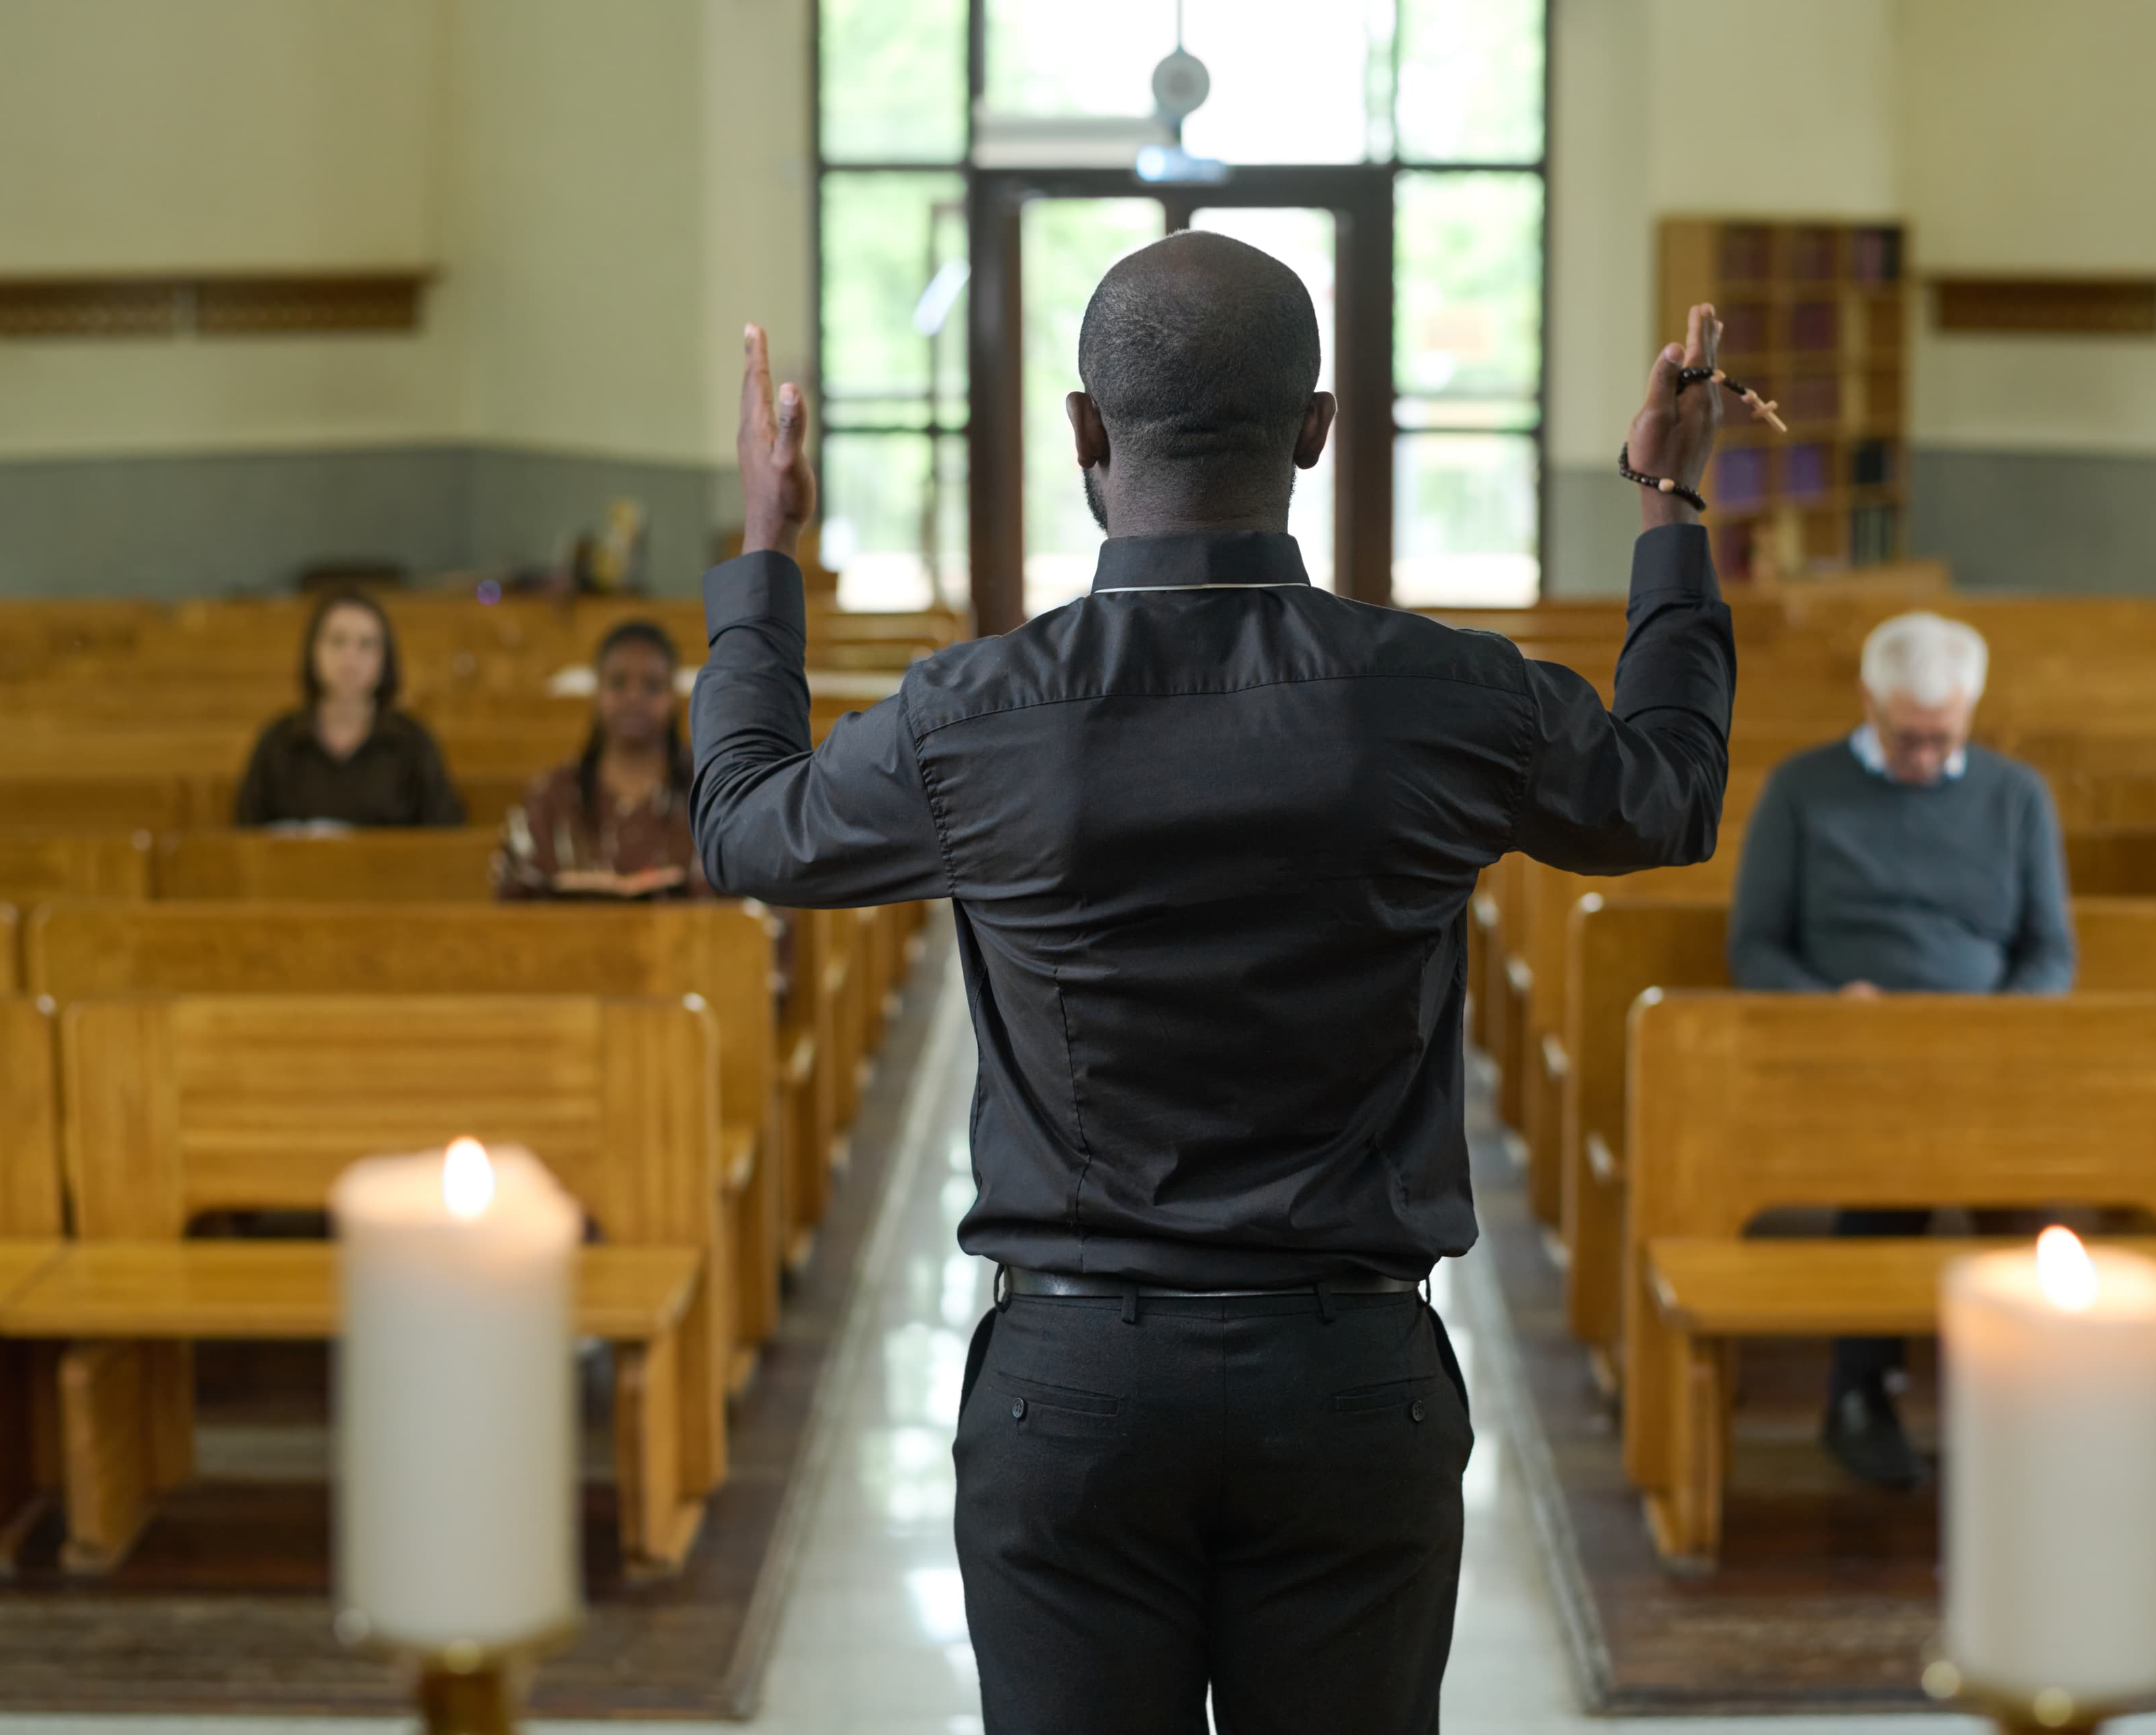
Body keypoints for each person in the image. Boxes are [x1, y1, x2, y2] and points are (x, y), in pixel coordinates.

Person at [692, 241, 1735, 1734]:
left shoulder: (977, 714)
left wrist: (766, 549)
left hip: (1073, 1384)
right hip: (1353, 1376)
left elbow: (740, 823)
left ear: (1085, 436)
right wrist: (1671, 512)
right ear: (1315, 431)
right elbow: (1671, 795)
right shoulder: (1446, 695)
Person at [1727, 609, 2074, 1492]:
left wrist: (1998, 1024)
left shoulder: (2015, 794)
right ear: (1869, 704)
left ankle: (2028, 1403)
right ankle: (1862, 1394)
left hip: (1986, 1047)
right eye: (1906, 737)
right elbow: (1756, 947)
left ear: (1970, 713)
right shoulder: (1803, 788)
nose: (1922, 757)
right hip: (1847, 1049)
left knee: (2029, 1183)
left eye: (1941, 737)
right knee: (1894, 1162)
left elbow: (2050, 953)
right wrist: (1832, 1007)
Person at [495, 619, 709, 900]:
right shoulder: (552, 795)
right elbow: (514, 898)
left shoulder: (708, 794)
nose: (634, 697)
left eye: (652, 686)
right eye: (618, 683)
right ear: (597, 692)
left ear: (673, 697)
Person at [234, 590, 465, 828]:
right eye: (337, 641)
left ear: (385, 659)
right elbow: (245, 838)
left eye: (366, 645)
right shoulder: (278, 742)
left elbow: (444, 837)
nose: (350, 658)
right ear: (314, 651)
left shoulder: (413, 744)